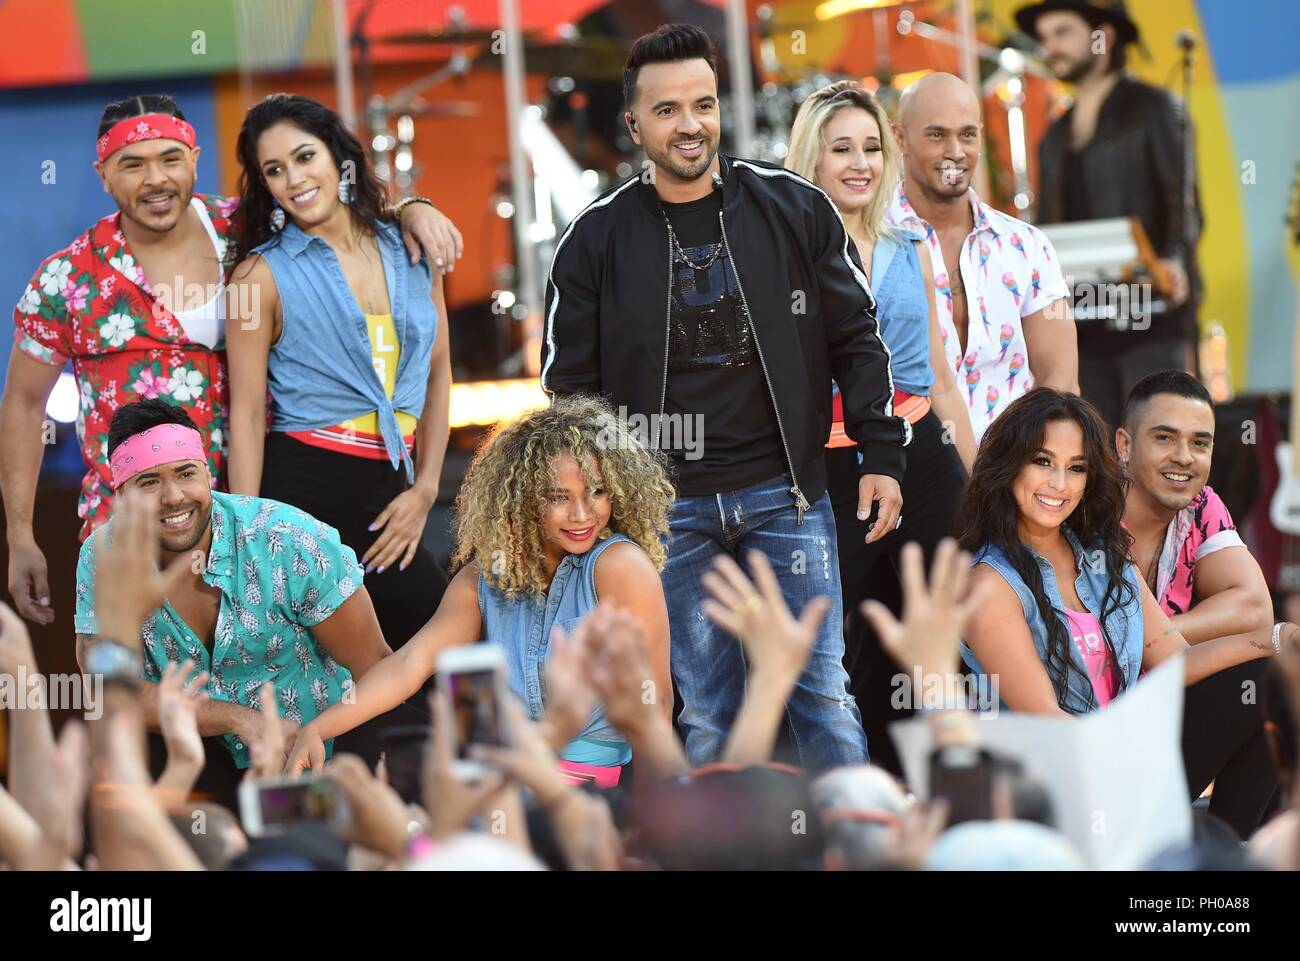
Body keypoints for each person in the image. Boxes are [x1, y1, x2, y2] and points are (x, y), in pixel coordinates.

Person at [542, 23, 909, 771]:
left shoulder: (792, 208)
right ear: (634, 124)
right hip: (669, 510)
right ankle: (732, 850)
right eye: (669, 110)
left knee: (821, 692)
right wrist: (601, 497)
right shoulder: (595, 239)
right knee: (711, 705)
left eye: (703, 105)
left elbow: (856, 336)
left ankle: (858, 843)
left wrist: (883, 451)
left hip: (787, 494)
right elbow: (568, 395)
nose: (690, 125)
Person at [1, 93, 463, 627]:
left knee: (284, 690)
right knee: (140, 695)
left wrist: (413, 209)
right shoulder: (66, 280)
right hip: (134, 528)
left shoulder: (243, 232)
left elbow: (338, 218)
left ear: (195, 158)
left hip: (255, 513)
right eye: (132, 164)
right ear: (103, 174)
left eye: (170, 159)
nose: (155, 179)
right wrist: (19, 535)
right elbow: (23, 402)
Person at [285, 395, 675, 788]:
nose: (582, 514)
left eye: (597, 492)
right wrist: (319, 729)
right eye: (559, 497)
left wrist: (654, 817)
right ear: (523, 498)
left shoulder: (620, 566)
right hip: (501, 783)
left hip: (591, 790)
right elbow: (409, 665)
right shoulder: (484, 577)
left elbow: (655, 703)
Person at [957, 387, 1294, 837]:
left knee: (1271, 681)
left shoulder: (1103, 555)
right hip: (1060, 790)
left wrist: (1275, 641)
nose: (1060, 484)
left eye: (1076, 468)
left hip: (1127, 760)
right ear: (1009, 465)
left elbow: (1177, 660)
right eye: (1043, 462)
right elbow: (1050, 724)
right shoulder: (990, 587)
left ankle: (1227, 856)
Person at [225, 94, 453, 706]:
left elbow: (438, 374)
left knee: (438, 661)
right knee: (349, 676)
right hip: (305, 488)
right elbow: (245, 415)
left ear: (338, 156)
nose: (295, 179)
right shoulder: (259, 277)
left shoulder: (413, 247)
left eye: (305, 156)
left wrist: (427, 487)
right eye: (275, 170)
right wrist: (247, 541)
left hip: (393, 485)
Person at [785, 79, 975, 774]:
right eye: (841, 149)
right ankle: (866, 807)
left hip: (922, 457)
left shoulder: (909, 245)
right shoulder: (784, 256)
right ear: (811, 159)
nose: (860, 162)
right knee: (849, 641)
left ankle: (951, 795)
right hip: (834, 462)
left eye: (870, 146)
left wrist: (976, 477)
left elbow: (942, 380)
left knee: (943, 633)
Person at [73, 399, 394, 809]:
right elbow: (107, 690)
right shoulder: (103, 558)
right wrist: (235, 717)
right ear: (121, 497)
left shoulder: (287, 538)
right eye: (149, 482)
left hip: (317, 749)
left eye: (186, 474)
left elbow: (375, 666)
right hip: (193, 756)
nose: (173, 497)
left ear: (208, 474)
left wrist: (343, 757)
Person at [1019, 0, 1202, 430]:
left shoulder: (1157, 108)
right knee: (1098, 453)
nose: (1051, 47)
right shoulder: (1054, 136)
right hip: (1083, 323)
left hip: (1150, 315)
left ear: (1105, 37)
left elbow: (1185, 204)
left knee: (1155, 446)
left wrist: (1175, 261)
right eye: (1044, 38)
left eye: (1062, 32)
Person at [886, 72, 1077, 442]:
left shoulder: (1025, 246)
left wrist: (1029, 468)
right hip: (912, 475)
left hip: (1015, 470)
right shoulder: (870, 245)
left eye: (967, 134)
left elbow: (1060, 380)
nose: (955, 151)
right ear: (900, 138)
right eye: (937, 135)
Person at [1117, 370, 1272, 640]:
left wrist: (1148, 638)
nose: (1184, 457)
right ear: (1124, 445)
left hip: (1157, 677)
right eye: (1164, 438)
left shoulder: (1200, 505)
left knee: (1281, 640)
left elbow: (1256, 611)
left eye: (1199, 443)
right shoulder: (1087, 506)